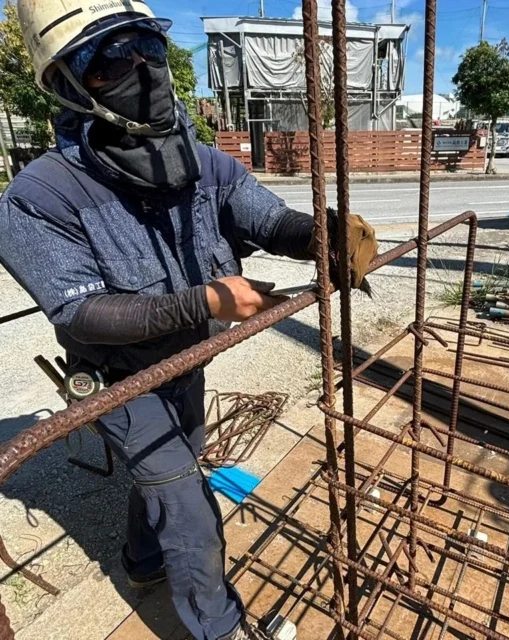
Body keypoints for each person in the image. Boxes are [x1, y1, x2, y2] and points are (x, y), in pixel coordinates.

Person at [0, 2, 378, 639]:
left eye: (147, 49)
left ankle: (143, 562)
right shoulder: (39, 198)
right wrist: (205, 302)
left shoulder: (199, 159)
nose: (141, 71)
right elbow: (81, 312)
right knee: (189, 507)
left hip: (186, 360)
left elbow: (260, 215)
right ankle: (221, 629)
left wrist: (319, 234)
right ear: (67, 84)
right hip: (117, 376)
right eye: (109, 61)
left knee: (174, 468)